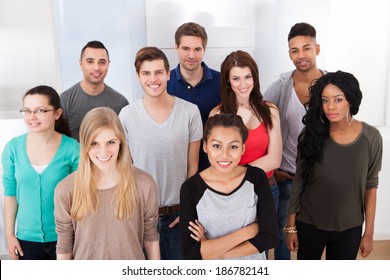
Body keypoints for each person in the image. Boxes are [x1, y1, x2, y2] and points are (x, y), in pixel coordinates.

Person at [286, 71, 383, 260]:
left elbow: (371, 186)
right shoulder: (311, 135)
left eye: (338, 100)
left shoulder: (371, 138)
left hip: (349, 228)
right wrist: (290, 226)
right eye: (325, 100)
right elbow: (299, 181)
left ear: (351, 100)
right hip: (309, 224)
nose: (330, 107)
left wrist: (369, 232)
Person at [119, 47, 203, 260]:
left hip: (178, 214)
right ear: (138, 77)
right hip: (140, 216)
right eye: (146, 73)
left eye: (158, 72)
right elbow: (124, 167)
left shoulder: (190, 112)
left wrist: (188, 208)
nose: (153, 79)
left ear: (168, 74)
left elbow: (193, 166)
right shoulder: (127, 115)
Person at [54, 107, 160, 260]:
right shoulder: (65, 189)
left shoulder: (145, 184)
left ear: (121, 142)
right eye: (94, 143)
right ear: (84, 145)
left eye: (110, 142)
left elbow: (151, 237)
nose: (103, 152)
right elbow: (64, 245)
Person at [263, 22, 325, 260]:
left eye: (306, 48)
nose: (301, 55)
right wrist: (273, 167)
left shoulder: (332, 86)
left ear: (317, 49)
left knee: (315, 235)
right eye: (295, 50)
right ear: (289, 54)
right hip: (287, 176)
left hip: (321, 178)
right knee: (281, 234)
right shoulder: (279, 87)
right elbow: (262, 126)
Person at [180, 113, 278, 260]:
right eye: (217, 146)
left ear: (243, 149)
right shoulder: (191, 188)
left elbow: (270, 237)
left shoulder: (256, 178)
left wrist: (214, 250)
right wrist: (247, 233)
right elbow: (191, 252)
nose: (224, 155)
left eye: (233, 146)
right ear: (205, 146)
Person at [2, 85, 79, 260]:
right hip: (25, 242)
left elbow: (80, 198)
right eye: (27, 111)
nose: (32, 117)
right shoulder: (12, 149)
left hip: (66, 239)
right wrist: (10, 235)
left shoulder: (73, 149)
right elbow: (10, 195)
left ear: (57, 113)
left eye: (40, 110)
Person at [210, 50, 282, 209]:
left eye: (248, 77)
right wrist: (239, 123)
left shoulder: (270, 110)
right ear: (228, 81)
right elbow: (219, 160)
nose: (243, 84)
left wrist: (238, 172)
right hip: (231, 191)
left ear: (254, 78)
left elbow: (275, 159)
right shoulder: (216, 114)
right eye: (236, 78)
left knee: (267, 234)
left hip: (266, 188)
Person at [167, 22, 221, 172]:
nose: (191, 55)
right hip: (175, 167)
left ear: (204, 49)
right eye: (185, 49)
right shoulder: (163, 83)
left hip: (213, 167)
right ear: (176, 48)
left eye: (197, 49)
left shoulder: (222, 82)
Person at [60, 40, 129, 141]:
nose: (96, 67)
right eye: (90, 62)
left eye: (102, 62)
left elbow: (125, 143)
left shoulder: (121, 103)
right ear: (81, 64)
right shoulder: (64, 101)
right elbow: (58, 143)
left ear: (108, 64)